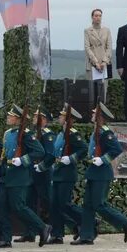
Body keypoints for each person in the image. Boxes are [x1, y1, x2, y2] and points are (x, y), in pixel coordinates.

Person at [73, 104, 127, 246]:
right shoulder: (97, 131)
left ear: (100, 117)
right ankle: (87, 236)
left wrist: (103, 159)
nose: (92, 115)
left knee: (99, 204)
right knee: (88, 205)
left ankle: (125, 222)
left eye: (95, 113)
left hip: (102, 173)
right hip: (94, 172)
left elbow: (117, 149)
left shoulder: (106, 133)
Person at [0, 106, 48, 248]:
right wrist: (0, 175)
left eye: (11, 116)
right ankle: (5, 239)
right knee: (0, 206)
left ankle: (42, 227)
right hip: (6, 175)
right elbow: (4, 156)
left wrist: (23, 160)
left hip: (19, 176)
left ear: (18, 119)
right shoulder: (7, 133)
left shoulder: (27, 134)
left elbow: (39, 151)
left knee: (18, 207)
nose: (8, 118)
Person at [48, 104, 88, 243]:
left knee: (65, 204)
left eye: (62, 116)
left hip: (67, 174)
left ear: (68, 119)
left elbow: (84, 149)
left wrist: (70, 158)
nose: (59, 117)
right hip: (57, 173)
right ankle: (56, 234)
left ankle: (88, 221)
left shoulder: (72, 134)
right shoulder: (61, 134)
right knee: (54, 205)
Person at [84, 8, 112, 106]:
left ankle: (101, 116)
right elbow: (87, 48)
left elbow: (109, 48)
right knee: (92, 91)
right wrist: (96, 63)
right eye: (96, 15)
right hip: (92, 65)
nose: (98, 18)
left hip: (104, 64)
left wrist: (104, 62)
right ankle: (92, 115)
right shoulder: (87, 31)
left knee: (103, 91)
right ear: (92, 17)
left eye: (100, 15)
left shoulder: (106, 30)